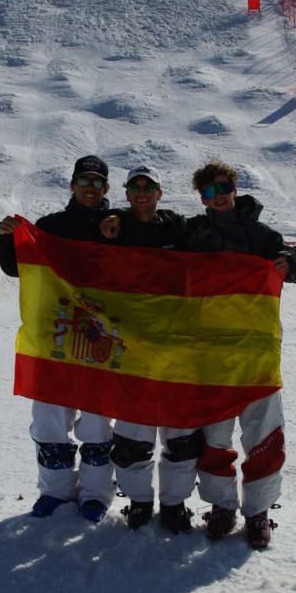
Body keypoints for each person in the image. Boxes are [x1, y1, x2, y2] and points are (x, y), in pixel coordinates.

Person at [185, 159, 296, 550]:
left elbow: (291, 252)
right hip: (211, 349)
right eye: (209, 192)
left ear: (235, 190)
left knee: (264, 433)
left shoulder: (262, 235)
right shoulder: (194, 232)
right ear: (201, 197)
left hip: (257, 349)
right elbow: (156, 241)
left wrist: (294, 259)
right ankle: (222, 507)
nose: (218, 197)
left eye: (224, 189)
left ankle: (259, 511)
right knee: (215, 436)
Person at [0, 155, 116, 523]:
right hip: (55, 335)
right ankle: (55, 491)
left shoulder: (116, 227)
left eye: (97, 182)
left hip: (100, 335)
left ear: (106, 188)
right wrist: (4, 238)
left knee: (96, 421)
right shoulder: (50, 226)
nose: (90, 187)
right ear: (72, 185)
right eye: (84, 180)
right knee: (48, 418)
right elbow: (18, 267)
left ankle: (96, 494)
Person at [99, 164, 203, 534]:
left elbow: (222, 241)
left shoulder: (177, 226)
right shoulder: (112, 228)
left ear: (160, 193)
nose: (142, 192)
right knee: (131, 436)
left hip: (176, 345)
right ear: (126, 194)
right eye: (135, 187)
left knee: (181, 437)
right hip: (131, 346)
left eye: (150, 187)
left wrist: (287, 254)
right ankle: (139, 503)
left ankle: (174, 505)